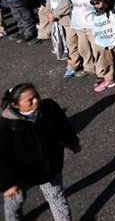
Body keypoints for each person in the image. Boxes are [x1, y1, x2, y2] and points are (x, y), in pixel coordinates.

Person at [0, 83, 78, 221]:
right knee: (16, 201)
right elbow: (2, 156)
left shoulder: (50, 107)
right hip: (20, 172)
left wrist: (72, 143)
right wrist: (7, 184)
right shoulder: (6, 125)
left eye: (36, 96)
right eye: (29, 100)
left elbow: (64, 126)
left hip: (49, 166)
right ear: (16, 105)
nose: (36, 100)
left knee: (57, 198)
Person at [65, 0, 97, 78]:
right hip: (79, 25)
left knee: (97, 50)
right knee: (83, 49)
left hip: (92, 25)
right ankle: (89, 68)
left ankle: (102, 71)